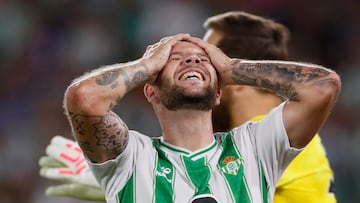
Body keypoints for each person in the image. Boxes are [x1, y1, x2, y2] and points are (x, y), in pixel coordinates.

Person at [59, 30, 340, 203]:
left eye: (203, 59)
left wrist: (231, 68)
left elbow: (324, 88)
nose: (192, 60)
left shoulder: (255, 148)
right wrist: (146, 64)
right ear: (151, 91)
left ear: (219, 93)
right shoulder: (131, 159)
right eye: (174, 59)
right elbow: (84, 98)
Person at [203, 11, 337, 203]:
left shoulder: (280, 138)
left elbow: (324, 86)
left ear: (237, 77)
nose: (198, 77)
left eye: (207, 63)